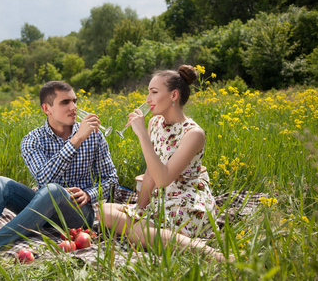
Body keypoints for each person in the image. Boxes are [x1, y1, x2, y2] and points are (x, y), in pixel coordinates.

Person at [0, 81, 118, 252]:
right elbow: (44, 178)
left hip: (78, 214)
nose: (73, 107)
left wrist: (89, 194)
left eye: (74, 101)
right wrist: (75, 140)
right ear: (47, 109)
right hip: (41, 210)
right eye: (65, 102)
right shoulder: (32, 140)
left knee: (53, 190)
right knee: (0, 183)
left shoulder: (95, 136)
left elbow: (111, 178)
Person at [98, 65, 232, 262]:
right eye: (148, 92)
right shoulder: (155, 123)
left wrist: (141, 134)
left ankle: (211, 255)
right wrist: (139, 207)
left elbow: (162, 180)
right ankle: (162, 237)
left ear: (173, 95)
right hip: (161, 202)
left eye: (154, 92)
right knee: (103, 211)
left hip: (185, 203)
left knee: (138, 232)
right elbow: (151, 172)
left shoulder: (193, 134)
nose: (147, 100)